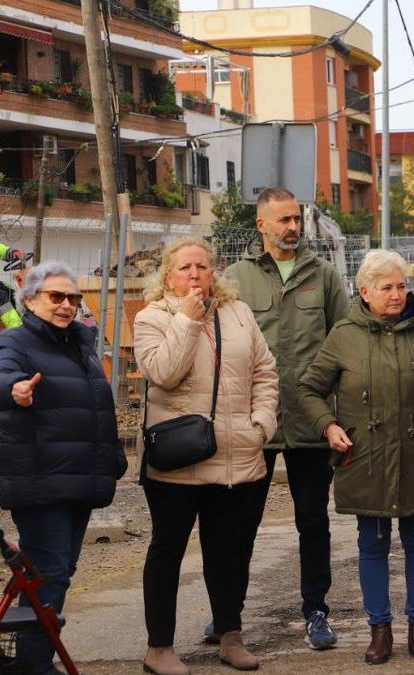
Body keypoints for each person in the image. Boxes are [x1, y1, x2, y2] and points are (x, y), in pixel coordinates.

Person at [297, 249, 414, 666]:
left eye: (402, 285)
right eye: (387, 287)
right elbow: (308, 389)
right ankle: (379, 630)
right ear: (364, 291)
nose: (397, 294)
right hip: (365, 458)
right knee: (373, 545)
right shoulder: (343, 336)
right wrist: (329, 427)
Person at [134, 237, 279, 674]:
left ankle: (230, 637)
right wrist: (186, 320)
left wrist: (261, 424)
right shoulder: (151, 318)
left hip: (235, 455)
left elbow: (265, 371)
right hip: (177, 460)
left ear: (213, 271)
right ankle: (159, 648)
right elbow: (162, 372)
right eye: (185, 268)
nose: (195, 274)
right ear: (167, 276)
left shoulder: (238, 313)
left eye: (202, 266)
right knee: (168, 551)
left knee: (226, 550)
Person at [0, 261, 127, 674]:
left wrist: (112, 458)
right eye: (56, 297)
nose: (67, 305)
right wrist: (14, 391)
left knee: (56, 572)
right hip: (42, 482)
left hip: (79, 479)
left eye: (73, 298)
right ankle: (34, 665)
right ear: (29, 300)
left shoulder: (79, 345)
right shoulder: (15, 342)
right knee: (50, 572)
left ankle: (32, 661)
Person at [223, 186, 349, 650]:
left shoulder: (326, 275)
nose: (293, 227)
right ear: (262, 225)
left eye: (297, 219)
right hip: (254, 425)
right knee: (241, 525)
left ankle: (317, 611)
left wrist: (340, 415)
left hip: (311, 422)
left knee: (313, 522)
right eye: (284, 220)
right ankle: (228, 618)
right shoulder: (236, 278)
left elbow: (345, 344)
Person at [0, 230, 29, 329]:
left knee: (12, 293)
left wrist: (13, 253)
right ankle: (16, 330)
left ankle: (27, 323)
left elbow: (3, 251)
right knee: (0, 296)